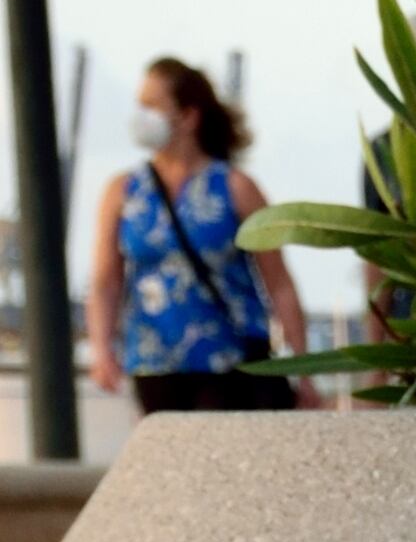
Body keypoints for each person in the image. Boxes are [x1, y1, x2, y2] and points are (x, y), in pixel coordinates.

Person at [91, 58, 306, 413]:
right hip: (153, 360)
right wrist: (102, 349)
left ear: (188, 116)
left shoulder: (236, 188)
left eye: (151, 106)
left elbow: (278, 282)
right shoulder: (123, 191)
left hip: (230, 361)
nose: (141, 116)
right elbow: (105, 281)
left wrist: (303, 367)